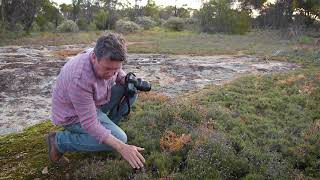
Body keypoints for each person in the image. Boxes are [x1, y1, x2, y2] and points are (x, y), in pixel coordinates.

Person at [46, 33, 145, 169]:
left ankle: (105, 134)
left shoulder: (108, 56)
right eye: (107, 69)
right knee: (121, 139)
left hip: (95, 103)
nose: (111, 73)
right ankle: (58, 141)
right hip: (73, 116)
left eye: (115, 68)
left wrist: (126, 80)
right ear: (94, 57)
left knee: (130, 92)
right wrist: (121, 147)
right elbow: (89, 123)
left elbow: (118, 72)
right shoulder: (79, 78)